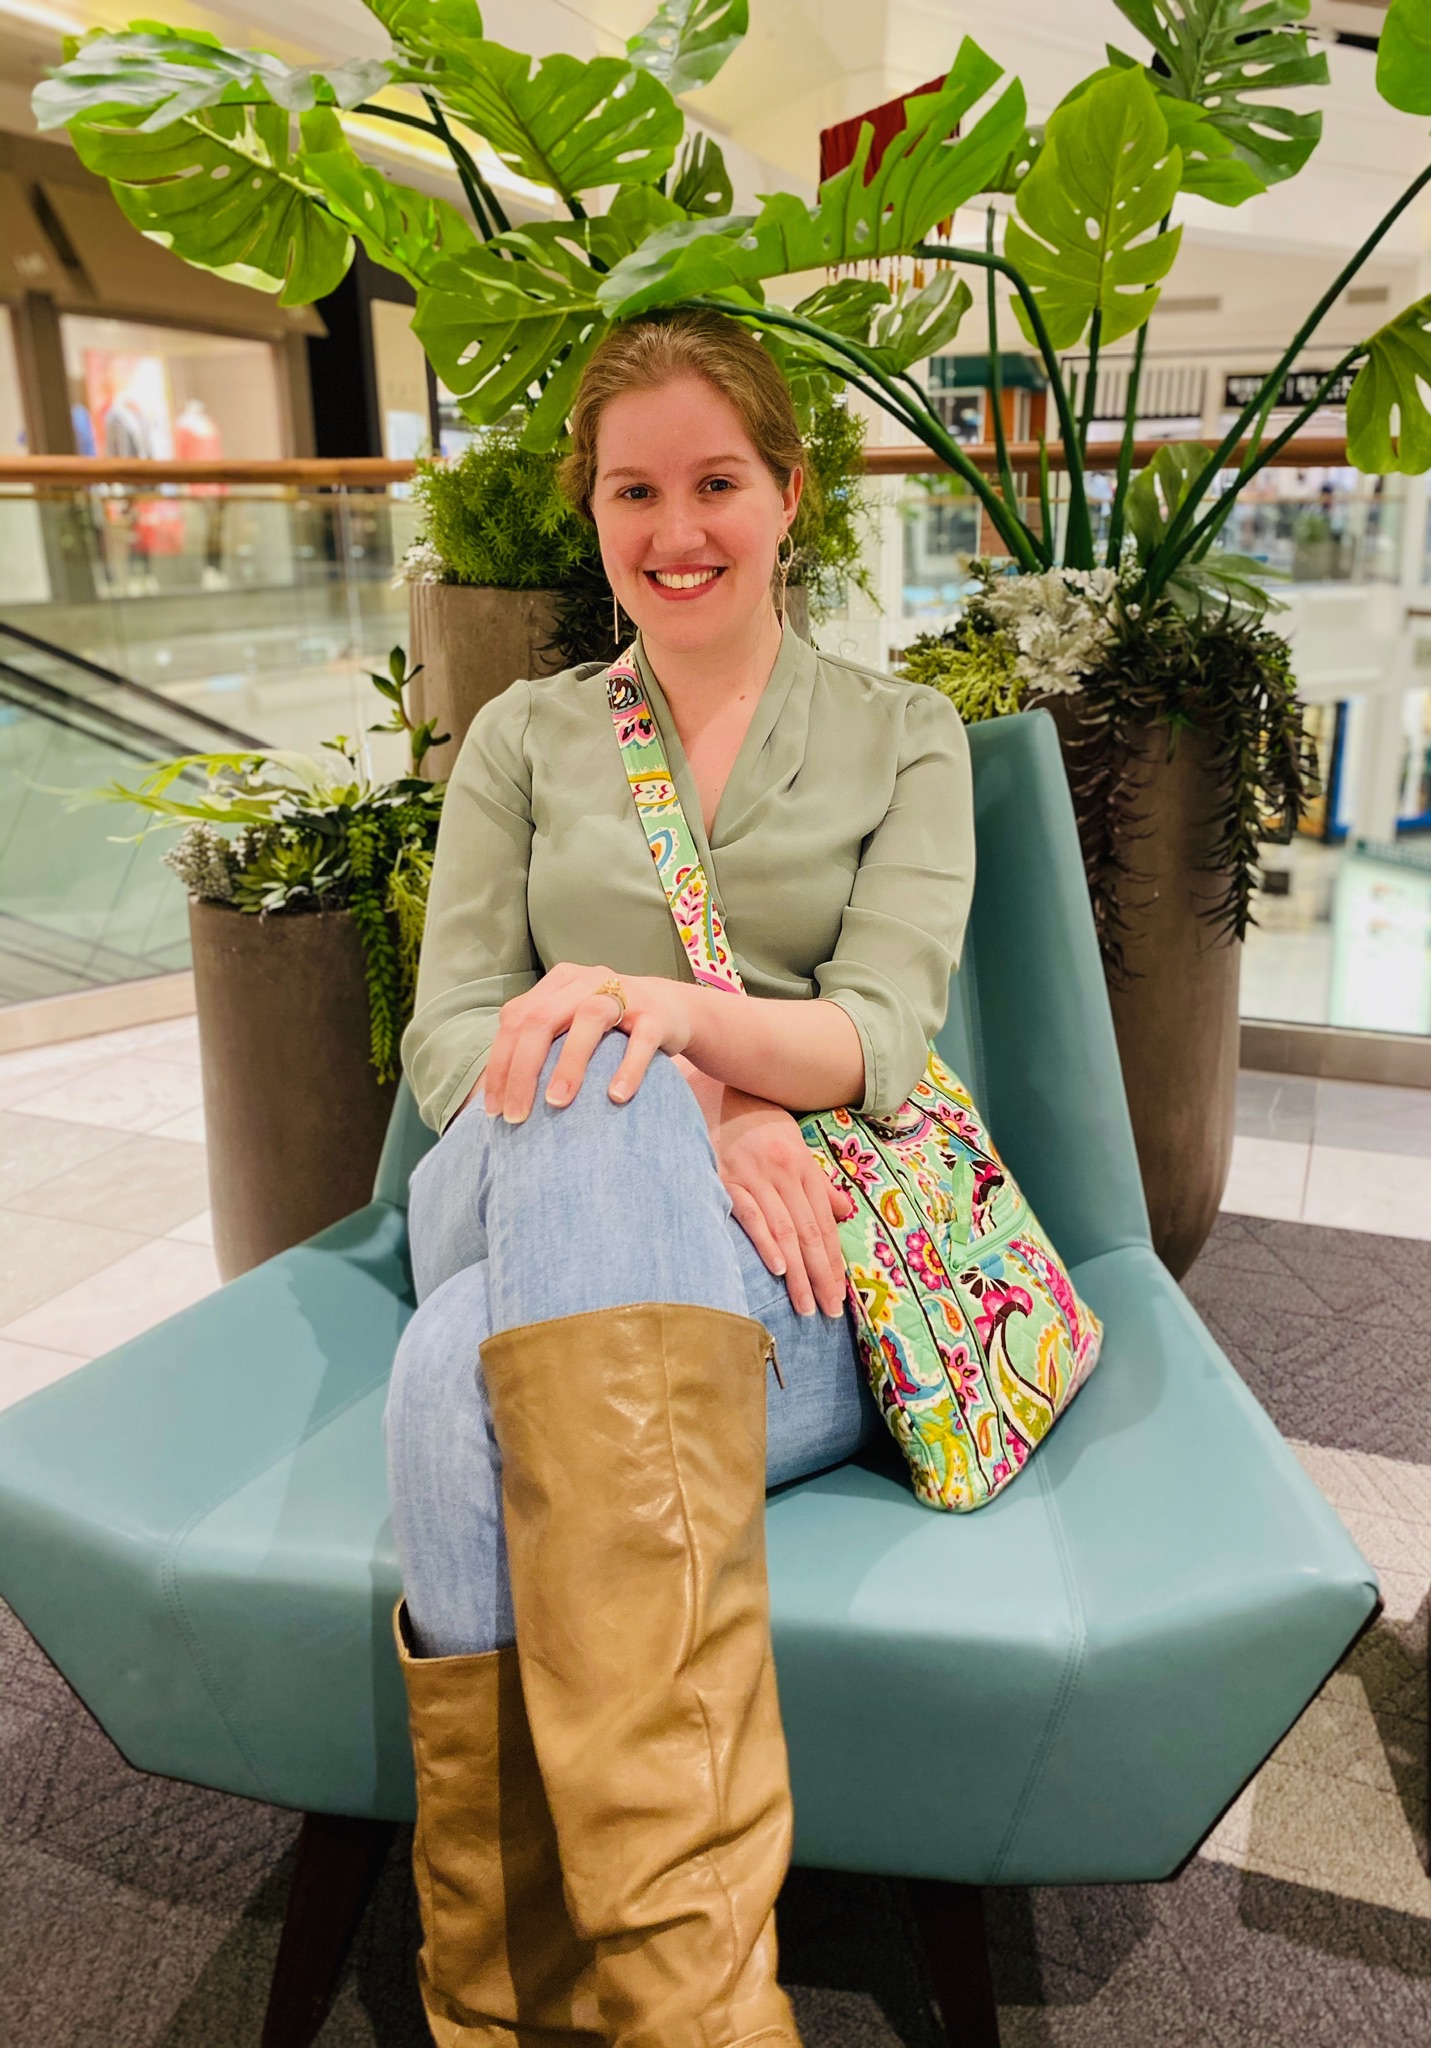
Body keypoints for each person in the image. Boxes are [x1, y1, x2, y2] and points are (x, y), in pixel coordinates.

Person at [387, 309, 975, 2048]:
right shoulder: (521, 739)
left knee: (446, 1386)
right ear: (595, 517)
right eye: (635, 491)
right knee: (592, 1080)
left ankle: (507, 2008)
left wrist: (669, 1028)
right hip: (508, 1181)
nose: (677, 529)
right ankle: (701, 2011)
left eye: (717, 481)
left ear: (791, 494)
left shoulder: (904, 736)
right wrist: (698, 1086)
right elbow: (448, 1056)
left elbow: (879, 1037)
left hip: (782, 1285)